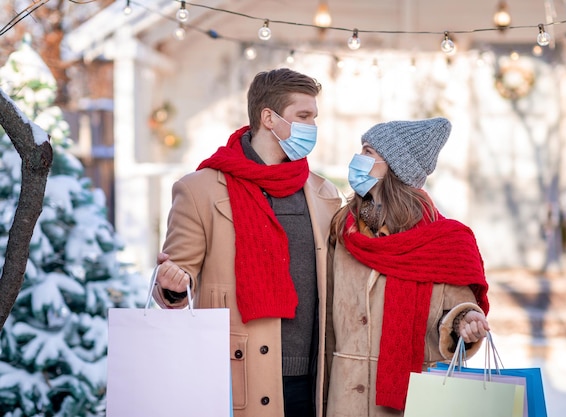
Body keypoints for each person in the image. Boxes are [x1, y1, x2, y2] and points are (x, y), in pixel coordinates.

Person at [152, 68, 343, 417]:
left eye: (314, 117)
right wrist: (172, 286)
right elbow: (178, 281)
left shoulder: (324, 193)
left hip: (314, 381)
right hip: (238, 376)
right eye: (303, 116)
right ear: (269, 118)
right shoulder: (200, 190)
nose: (312, 126)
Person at [325, 118, 490, 416]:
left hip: (413, 400)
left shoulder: (443, 240)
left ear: (395, 167)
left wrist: (463, 323)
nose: (358, 158)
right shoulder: (344, 229)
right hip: (342, 397)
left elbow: (458, 309)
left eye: (368, 151)